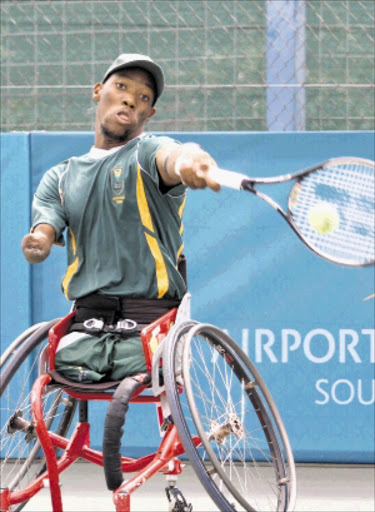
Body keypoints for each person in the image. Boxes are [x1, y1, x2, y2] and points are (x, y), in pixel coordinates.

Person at [22, 53, 220, 384]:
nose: (131, 98)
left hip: (150, 330)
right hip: (84, 329)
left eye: (144, 97)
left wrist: (191, 160)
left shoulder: (146, 153)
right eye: (121, 86)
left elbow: (173, 156)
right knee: (51, 368)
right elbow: (44, 230)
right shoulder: (59, 177)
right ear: (98, 90)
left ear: (149, 113)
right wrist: (39, 243)